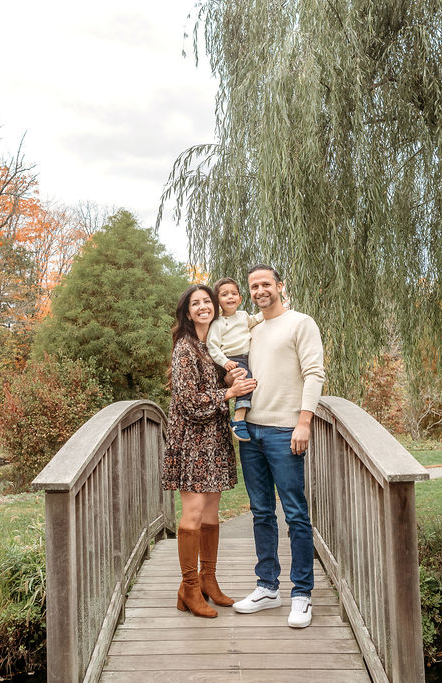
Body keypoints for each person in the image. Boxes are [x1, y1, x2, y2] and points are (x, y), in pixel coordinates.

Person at [231, 265, 325, 629]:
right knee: (261, 512)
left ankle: (301, 594)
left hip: (285, 431)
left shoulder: (301, 323)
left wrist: (304, 421)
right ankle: (267, 588)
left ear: (280, 286)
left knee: (296, 513)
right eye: (253, 286)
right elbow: (232, 359)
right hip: (251, 432)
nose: (259, 290)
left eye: (265, 284)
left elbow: (314, 373)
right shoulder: (250, 328)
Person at [161, 284, 257, 618]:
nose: (203, 307)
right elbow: (188, 403)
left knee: (212, 512)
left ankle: (208, 581)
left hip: (213, 435)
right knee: (194, 513)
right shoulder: (185, 348)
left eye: (207, 301)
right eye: (195, 303)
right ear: (187, 312)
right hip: (191, 438)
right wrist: (229, 394)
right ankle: (188, 588)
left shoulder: (211, 344)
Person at [206, 277, 263, 442]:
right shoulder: (217, 323)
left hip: (246, 357)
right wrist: (225, 362)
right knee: (246, 381)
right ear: (217, 300)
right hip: (232, 359)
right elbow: (212, 347)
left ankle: (242, 416)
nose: (230, 297)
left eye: (233, 294)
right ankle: (238, 419)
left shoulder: (243, 315)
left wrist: (273, 311)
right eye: (224, 294)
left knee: (250, 380)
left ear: (240, 299)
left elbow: (256, 320)